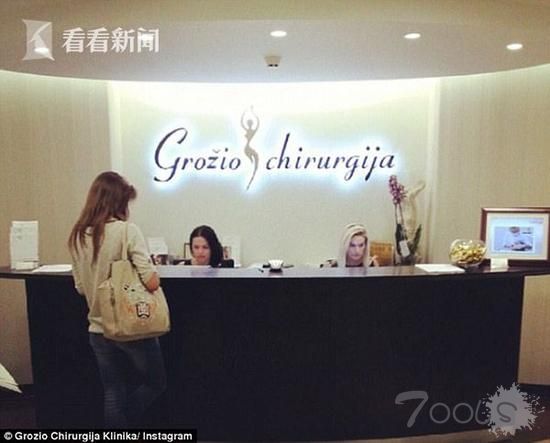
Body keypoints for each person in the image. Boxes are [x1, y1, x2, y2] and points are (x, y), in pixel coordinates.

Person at [68, 171, 166, 428]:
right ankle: (125, 423)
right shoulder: (126, 231)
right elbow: (151, 282)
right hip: (131, 328)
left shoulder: (78, 235)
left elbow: (81, 288)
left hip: (98, 329)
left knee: (113, 391)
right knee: (156, 383)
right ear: (118, 202)